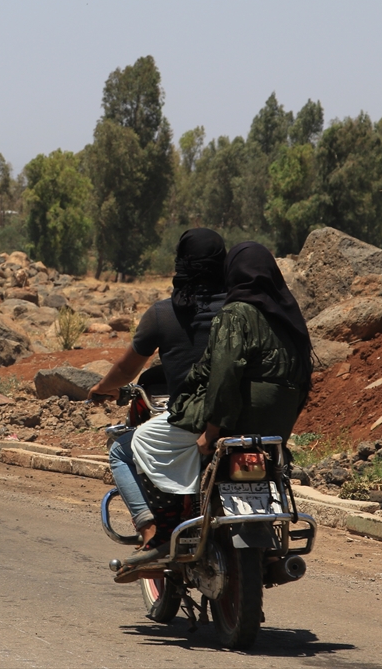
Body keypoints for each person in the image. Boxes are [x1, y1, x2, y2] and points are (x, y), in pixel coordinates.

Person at [118, 241, 313, 575]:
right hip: (273, 432)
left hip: (231, 422)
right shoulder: (289, 321)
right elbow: (303, 383)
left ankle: (160, 529)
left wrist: (210, 433)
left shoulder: (235, 315)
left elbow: (224, 376)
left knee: (139, 442)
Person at [88, 228, 228, 554]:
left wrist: (100, 389)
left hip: (193, 419)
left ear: (181, 265)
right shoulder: (242, 308)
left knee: (122, 450)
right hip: (243, 418)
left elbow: (126, 370)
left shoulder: (163, 314)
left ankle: (152, 530)